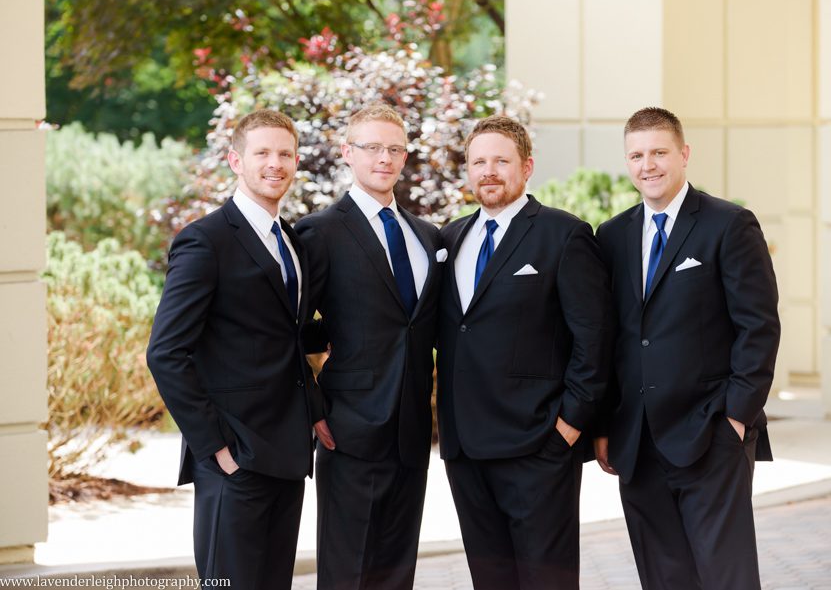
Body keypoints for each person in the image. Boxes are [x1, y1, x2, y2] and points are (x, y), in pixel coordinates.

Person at [593, 106, 780, 590]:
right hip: (637, 442)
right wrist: (606, 424)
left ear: (684, 154)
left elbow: (758, 327)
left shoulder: (728, 224)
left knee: (726, 577)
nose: (647, 165)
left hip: (710, 435)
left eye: (659, 152)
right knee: (664, 578)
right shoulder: (612, 236)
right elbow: (609, 337)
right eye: (636, 155)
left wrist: (736, 417)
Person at [436, 114, 613, 589]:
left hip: (538, 446)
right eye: (478, 162)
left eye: (501, 160)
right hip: (465, 450)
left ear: (527, 166)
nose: (488, 171)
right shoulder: (449, 239)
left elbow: (593, 340)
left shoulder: (564, 235)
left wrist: (567, 428)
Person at [147, 109, 317, 590]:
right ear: (235, 161)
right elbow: (165, 352)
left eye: (285, 153)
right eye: (262, 152)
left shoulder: (293, 242)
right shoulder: (205, 241)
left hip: (287, 454)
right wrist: (216, 447)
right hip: (234, 457)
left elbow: (290, 338)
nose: (275, 163)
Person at [293, 104, 442, 590]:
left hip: (412, 429)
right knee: (347, 572)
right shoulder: (320, 232)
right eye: (372, 147)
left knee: (397, 571)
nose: (385, 158)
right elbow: (290, 330)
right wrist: (313, 406)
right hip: (349, 427)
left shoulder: (427, 236)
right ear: (347, 154)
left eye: (395, 148)